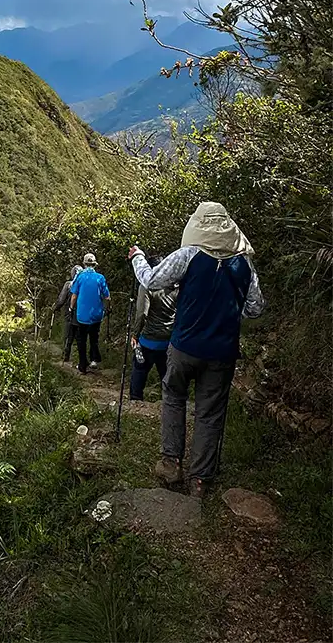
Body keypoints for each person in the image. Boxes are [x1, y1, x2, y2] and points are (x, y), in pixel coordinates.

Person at [128, 202, 264, 498]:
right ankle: (200, 480)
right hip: (222, 352)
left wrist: (138, 257)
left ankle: (171, 463)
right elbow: (255, 308)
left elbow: (152, 280)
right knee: (210, 413)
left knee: (174, 398)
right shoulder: (244, 263)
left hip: (183, 346)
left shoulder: (188, 255)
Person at [129, 255, 177, 401]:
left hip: (148, 339)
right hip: (168, 340)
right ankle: (169, 402)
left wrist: (135, 334)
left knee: (139, 369)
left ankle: (136, 400)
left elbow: (142, 314)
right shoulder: (176, 286)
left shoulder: (147, 286)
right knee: (166, 374)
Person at [69, 253, 110, 374]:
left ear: (84, 264)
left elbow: (74, 295)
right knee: (94, 338)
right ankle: (94, 360)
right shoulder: (100, 278)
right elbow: (107, 297)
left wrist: (71, 308)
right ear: (94, 264)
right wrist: (107, 308)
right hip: (96, 314)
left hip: (82, 315)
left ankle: (82, 366)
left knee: (81, 340)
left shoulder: (80, 277)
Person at [54, 264, 83, 363]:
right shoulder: (83, 284)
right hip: (81, 313)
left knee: (68, 334)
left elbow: (61, 300)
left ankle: (66, 355)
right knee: (80, 336)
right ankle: (81, 359)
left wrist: (56, 308)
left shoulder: (68, 285)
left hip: (69, 312)